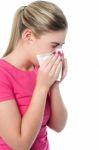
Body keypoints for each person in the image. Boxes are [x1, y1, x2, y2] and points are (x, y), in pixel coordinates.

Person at [0, 0, 68, 150]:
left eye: (62, 45)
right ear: (29, 36)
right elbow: (20, 145)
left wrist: (54, 85)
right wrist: (42, 87)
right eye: (54, 45)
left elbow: (58, 126)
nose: (59, 52)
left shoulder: (39, 69)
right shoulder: (2, 74)